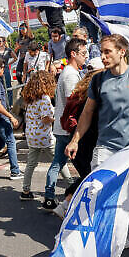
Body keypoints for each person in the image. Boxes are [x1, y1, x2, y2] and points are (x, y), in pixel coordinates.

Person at [65, 34, 129, 247]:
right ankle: (94, 234)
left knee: (127, 197)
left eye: (107, 52)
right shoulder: (98, 80)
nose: (103, 57)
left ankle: (128, 233)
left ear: (122, 52)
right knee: (96, 189)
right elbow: (87, 114)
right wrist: (75, 139)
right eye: (101, 52)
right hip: (105, 147)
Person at [43, 38, 87, 210]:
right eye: (83, 54)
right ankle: (68, 197)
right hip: (67, 129)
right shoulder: (69, 74)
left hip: (63, 128)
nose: (86, 57)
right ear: (73, 54)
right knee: (83, 169)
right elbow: (74, 102)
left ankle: (49, 196)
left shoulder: (70, 72)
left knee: (57, 164)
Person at [19, 71, 69, 201]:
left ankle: (25, 190)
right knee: (60, 161)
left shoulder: (30, 97)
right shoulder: (45, 98)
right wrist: (57, 119)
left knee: (31, 163)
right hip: (44, 135)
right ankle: (71, 186)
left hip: (31, 134)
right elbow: (46, 118)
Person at [0, 36, 17, 106]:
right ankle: (2, 104)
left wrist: (9, 64)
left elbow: (15, 58)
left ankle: (10, 104)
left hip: (5, 69)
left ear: (4, 42)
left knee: (8, 86)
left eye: (0, 41)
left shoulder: (8, 50)